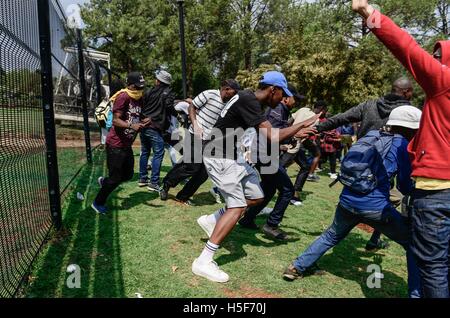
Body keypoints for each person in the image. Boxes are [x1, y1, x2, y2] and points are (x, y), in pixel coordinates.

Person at [352, 0, 450, 298]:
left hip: (437, 192)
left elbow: (406, 48)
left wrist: (369, 13)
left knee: (433, 266)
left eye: (439, 56)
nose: (434, 60)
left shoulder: (444, 82)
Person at [192, 71, 319, 283]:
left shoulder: (250, 99)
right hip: (218, 155)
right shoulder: (249, 100)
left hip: (232, 154)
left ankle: (212, 219)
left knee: (256, 195)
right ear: (273, 90)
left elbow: (269, 137)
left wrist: (295, 132)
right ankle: (204, 260)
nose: (283, 100)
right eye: (282, 95)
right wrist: (300, 125)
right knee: (237, 207)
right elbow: (272, 136)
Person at [283, 106, 423, 298]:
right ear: (410, 128)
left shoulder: (372, 135)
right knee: (412, 243)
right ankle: (417, 294)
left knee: (331, 235)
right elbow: (406, 186)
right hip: (375, 208)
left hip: (347, 200)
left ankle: (296, 267)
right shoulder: (401, 146)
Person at [316, 77, 415, 251]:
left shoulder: (369, 105)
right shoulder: (407, 113)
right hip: (385, 168)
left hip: (359, 166)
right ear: (407, 92)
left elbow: (340, 118)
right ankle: (374, 239)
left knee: (360, 200)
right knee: (388, 200)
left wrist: (316, 128)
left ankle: (370, 238)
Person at [159, 80, 241, 205]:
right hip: (195, 134)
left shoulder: (230, 103)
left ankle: (183, 197)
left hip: (211, 140)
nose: (234, 96)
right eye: (233, 93)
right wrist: (195, 124)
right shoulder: (209, 94)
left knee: (203, 173)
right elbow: (192, 106)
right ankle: (166, 184)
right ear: (226, 89)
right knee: (192, 164)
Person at [238, 84, 304, 240]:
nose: (297, 103)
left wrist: (284, 143)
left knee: (268, 189)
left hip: (265, 155)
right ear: (286, 97)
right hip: (264, 156)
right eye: (296, 99)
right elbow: (271, 134)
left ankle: (247, 219)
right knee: (287, 189)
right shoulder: (277, 110)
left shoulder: (281, 110)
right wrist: (292, 135)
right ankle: (271, 225)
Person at [92, 72, 149, 214]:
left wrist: (145, 120)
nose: (139, 90)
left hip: (126, 144)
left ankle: (105, 183)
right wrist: (132, 126)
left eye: (141, 87)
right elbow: (116, 120)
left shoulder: (139, 98)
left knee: (128, 175)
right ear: (129, 85)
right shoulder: (123, 96)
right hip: (115, 144)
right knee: (116, 178)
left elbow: (138, 115)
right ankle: (97, 203)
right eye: (137, 87)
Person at [138, 70, 176, 192]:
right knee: (158, 153)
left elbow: (142, 106)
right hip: (156, 126)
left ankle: (143, 178)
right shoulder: (169, 92)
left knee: (145, 151)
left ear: (158, 81)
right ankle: (154, 182)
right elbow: (169, 106)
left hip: (144, 125)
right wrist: (176, 114)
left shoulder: (148, 91)